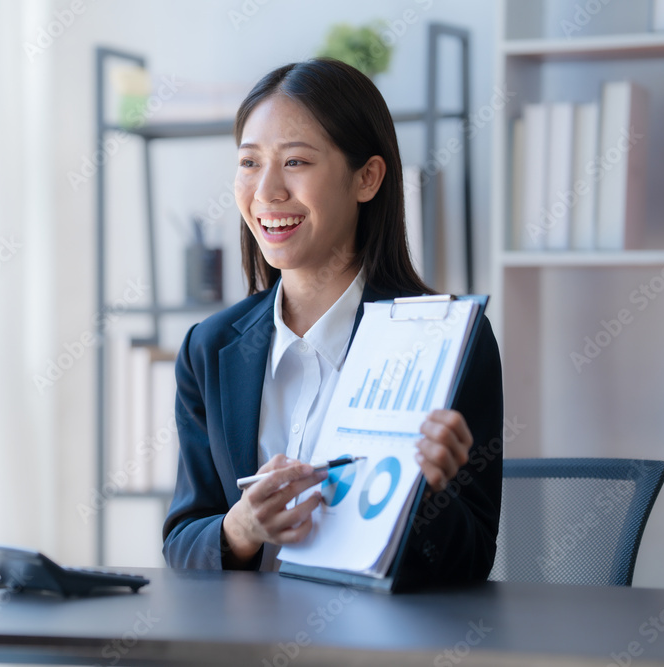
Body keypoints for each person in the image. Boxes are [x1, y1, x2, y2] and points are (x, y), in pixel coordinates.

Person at [162, 58, 503, 584]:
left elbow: (472, 560)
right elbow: (183, 541)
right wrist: (240, 529)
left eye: (296, 162)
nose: (267, 191)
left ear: (366, 178)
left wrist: (428, 494)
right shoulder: (208, 349)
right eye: (249, 163)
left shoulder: (446, 340)